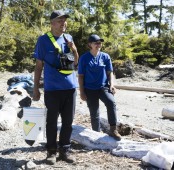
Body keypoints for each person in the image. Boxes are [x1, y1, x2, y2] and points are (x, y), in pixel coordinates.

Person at [32, 10, 79, 165]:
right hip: (52, 89)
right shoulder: (43, 40)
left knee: (68, 122)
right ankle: (51, 152)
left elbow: (75, 63)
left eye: (64, 20)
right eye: (60, 21)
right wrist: (35, 88)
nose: (63, 23)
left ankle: (64, 150)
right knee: (51, 121)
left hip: (70, 88)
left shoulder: (69, 38)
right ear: (52, 23)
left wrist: (74, 49)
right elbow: (39, 66)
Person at [78, 34, 121, 141]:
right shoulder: (84, 58)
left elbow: (109, 73)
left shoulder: (105, 57)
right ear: (90, 44)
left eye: (100, 42)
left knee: (111, 102)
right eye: (96, 42)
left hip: (103, 87)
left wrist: (112, 84)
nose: (99, 44)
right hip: (89, 89)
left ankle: (113, 129)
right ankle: (96, 133)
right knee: (94, 112)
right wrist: (82, 92)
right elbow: (81, 76)